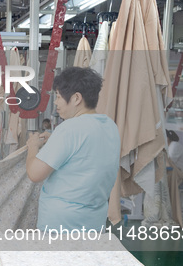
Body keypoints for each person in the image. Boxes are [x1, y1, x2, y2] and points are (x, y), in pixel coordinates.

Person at [25, 67, 120, 231]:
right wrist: (54, 137)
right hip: (94, 223)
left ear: (76, 98)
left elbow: (34, 173)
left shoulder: (69, 129)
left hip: (61, 225)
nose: (56, 103)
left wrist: (32, 147)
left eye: (59, 97)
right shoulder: (109, 126)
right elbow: (84, 154)